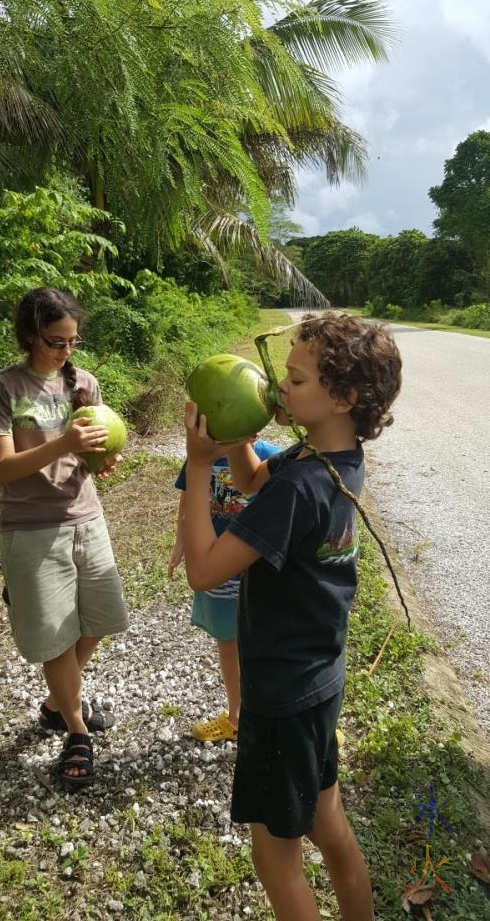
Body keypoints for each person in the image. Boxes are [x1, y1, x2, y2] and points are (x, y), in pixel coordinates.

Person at [182, 312, 402, 921]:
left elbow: (203, 570)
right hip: (318, 680)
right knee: (327, 824)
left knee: (275, 859)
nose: (281, 387)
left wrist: (197, 465)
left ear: (344, 398)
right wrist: (231, 436)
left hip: (280, 695)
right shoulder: (333, 461)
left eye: (297, 381)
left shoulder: (301, 487)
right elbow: (254, 478)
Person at [0, 287, 129, 789]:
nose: (66, 352)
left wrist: (103, 461)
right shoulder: (1, 389)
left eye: (72, 342)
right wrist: (64, 441)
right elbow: (4, 469)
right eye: (56, 341)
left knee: (101, 620)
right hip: (31, 528)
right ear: (29, 336)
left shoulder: (84, 382)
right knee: (55, 636)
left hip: (86, 516)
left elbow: (90, 456)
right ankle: (76, 729)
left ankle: (54, 704)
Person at [168, 437, 280, 742]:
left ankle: (285, 717)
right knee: (228, 644)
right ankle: (236, 716)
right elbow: (189, 501)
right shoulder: (200, 457)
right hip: (216, 573)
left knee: (269, 643)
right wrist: (181, 543)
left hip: (259, 574)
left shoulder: (271, 458)